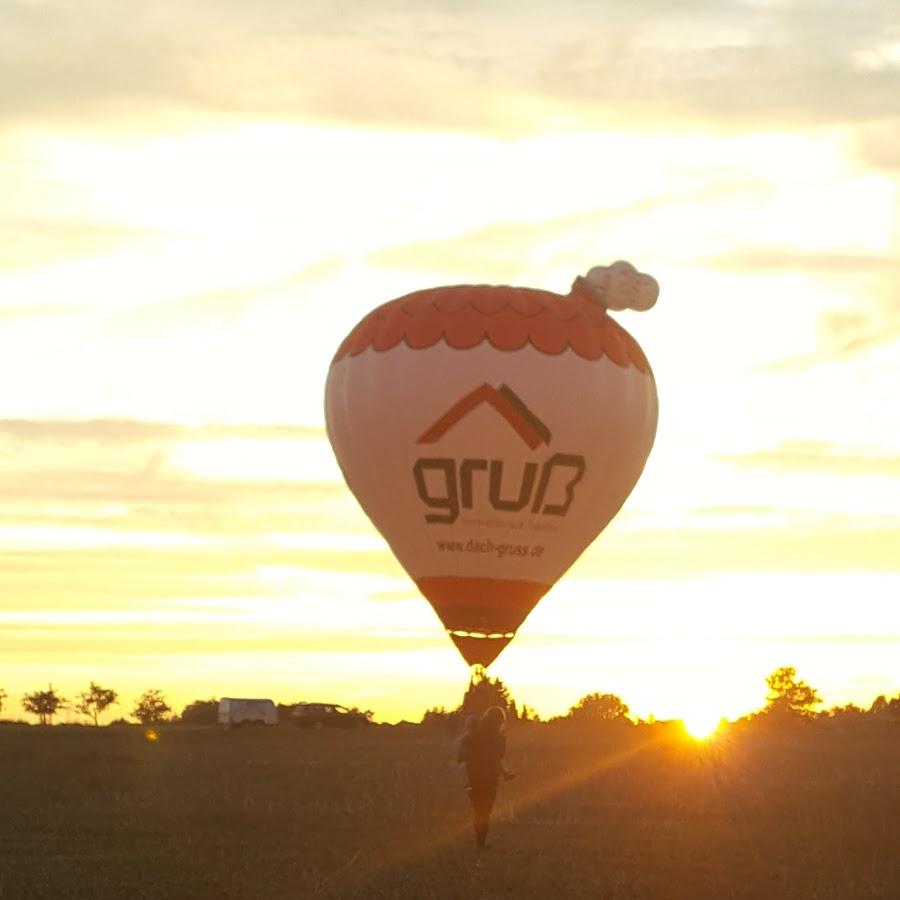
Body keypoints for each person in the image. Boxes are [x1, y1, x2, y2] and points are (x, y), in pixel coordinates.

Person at [458, 706, 514, 849]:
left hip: (472, 778)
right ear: (500, 721)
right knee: (485, 812)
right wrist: (505, 773)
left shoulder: (472, 736)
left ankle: (479, 843)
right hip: (490, 779)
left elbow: (461, 754)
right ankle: (480, 843)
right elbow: (496, 758)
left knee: (478, 810)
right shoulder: (500, 739)